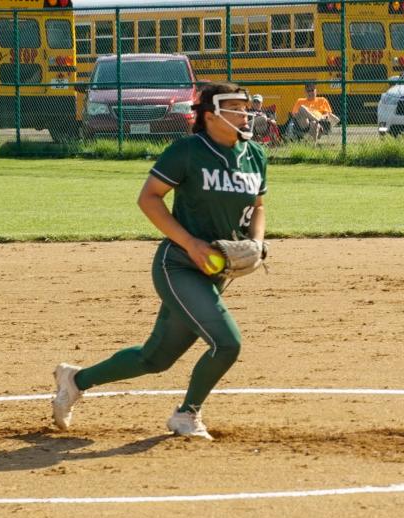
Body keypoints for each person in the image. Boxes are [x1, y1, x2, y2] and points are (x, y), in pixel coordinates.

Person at [51, 82, 267, 441]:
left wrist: (257, 243)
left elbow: (258, 208)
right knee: (227, 343)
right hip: (178, 265)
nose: (245, 114)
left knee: (154, 358)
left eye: (246, 107)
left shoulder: (255, 155)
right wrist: (191, 243)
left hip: (214, 272)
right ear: (211, 115)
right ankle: (187, 415)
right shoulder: (187, 151)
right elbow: (149, 198)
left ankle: (74, 380)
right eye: (235, 108)